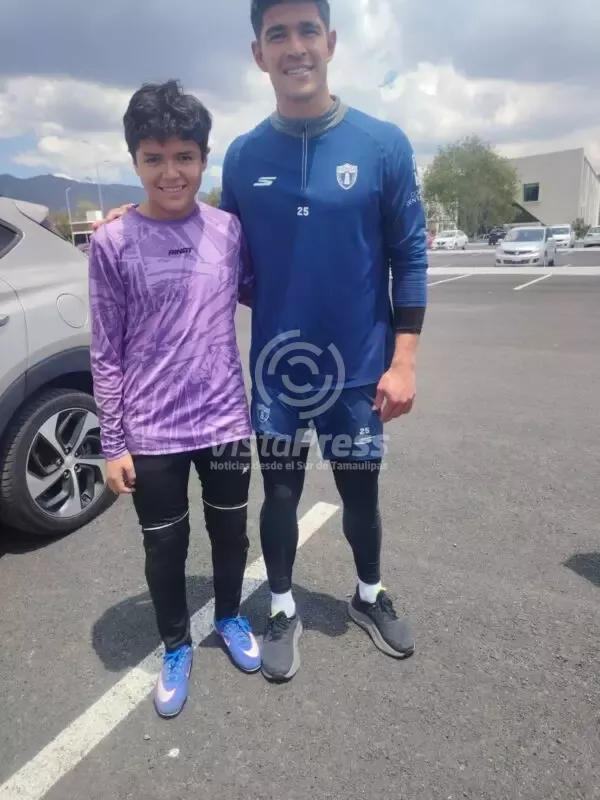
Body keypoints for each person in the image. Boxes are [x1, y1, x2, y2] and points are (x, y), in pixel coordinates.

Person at [95, 0, 429, 684]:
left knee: (361, 495)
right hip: (278, 376)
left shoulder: (383, 143)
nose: (294, 46)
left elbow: (411, 256)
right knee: (278, 497)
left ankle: (369, 594)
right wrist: (135, 221)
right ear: (259, 53)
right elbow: (215, 244)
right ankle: (279, 608)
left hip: (360, 372)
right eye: (277, 33)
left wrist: (404, 361)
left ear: (330, 41)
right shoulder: (245, 156)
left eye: (307, 30)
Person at [88, 80, 261, 719]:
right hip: (152, 429)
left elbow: (263, 291)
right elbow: (105, 350)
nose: (170, 172)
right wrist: (112, 443)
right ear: (135, 161)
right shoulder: (111, 242)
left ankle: (231, 617)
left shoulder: (228, 230)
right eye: (154, 157)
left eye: (184, 156)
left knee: (231, 531)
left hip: (224, 419)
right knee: (164, 547)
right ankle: (175, 646)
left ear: (204, 158)